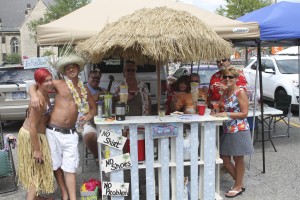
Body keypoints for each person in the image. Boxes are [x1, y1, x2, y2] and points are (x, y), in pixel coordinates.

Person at [29, 55, 97, 200]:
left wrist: (88, 116)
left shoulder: (84, 89)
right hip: (53, 130)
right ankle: (65, 194)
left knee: (70, 168)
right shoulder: (59, 84)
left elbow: (93, 108)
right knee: (56, 165)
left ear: (79, 69)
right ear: (65, 71)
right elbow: (35, 84)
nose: (71, 69)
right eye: (68, 67)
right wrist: (34, 96)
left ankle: (72, 198)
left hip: (71, 133)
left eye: (73, 66)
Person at [211, 67, 254, 198]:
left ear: (236, 79)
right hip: (227, 129)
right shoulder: (226, 92)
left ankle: (238, 186)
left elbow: (245, 113)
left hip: (239, 129)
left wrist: (226, 113)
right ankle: (239, 183)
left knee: (238, 159)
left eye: (231, 77)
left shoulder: (240, 92)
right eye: (225, 77)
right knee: (225, 158)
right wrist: (216, 110)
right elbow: (219, 105)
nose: (227, 79)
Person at [18, 68, 54, 200]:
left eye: (51, 79)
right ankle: (31, 197)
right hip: (32, 136)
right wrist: (37, 150)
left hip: (36, 134)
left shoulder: (43, 92)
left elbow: (32, 85)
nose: (50, 83)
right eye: (46, 81)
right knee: (36, 170)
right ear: (39, 83)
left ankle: (36, 197)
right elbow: (33, 126)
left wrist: (33, 93)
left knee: (37, 169)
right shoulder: (39, 100)